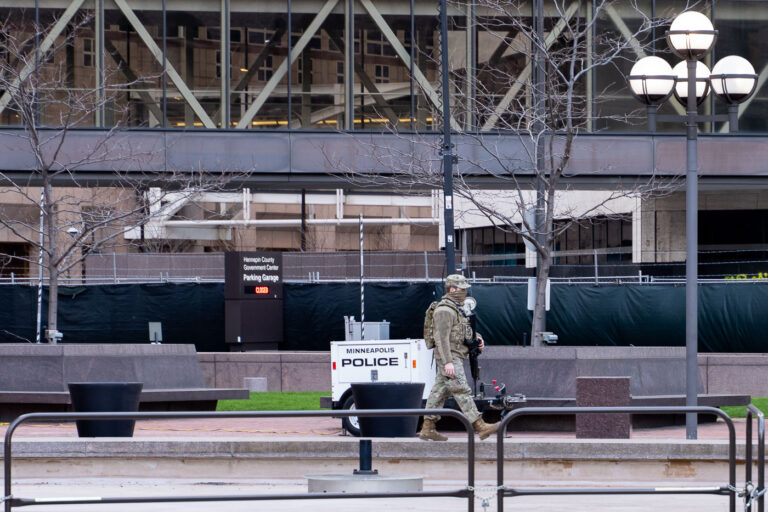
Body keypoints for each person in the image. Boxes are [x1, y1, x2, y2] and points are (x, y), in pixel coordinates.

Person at [419, 274, 500, 441]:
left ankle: (427, 428)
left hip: (456, 355)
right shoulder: (444, 310)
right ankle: (480, 426)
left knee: (439, 392)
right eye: (462, 289)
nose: (464, 292)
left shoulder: (457, 308)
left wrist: (478, 338)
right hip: (450, 357)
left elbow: (464, 330)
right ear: (452, 289)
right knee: (461, 389)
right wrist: (448, 361)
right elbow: (441, 338)